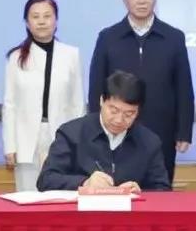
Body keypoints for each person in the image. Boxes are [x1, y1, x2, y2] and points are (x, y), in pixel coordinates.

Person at [88, 0, 194, 185]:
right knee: (117, 189)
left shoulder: (173, 37)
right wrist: (96, 128)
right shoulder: (108, 37)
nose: (142, 0)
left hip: (161, 130)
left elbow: (184, 88)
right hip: (116, 128)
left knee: (159, 188)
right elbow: (96, 86)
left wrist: (184, 131)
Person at [2, 0, 84, 191]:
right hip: (26, 138)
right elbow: (10, 105)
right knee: (28, 196)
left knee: (60, 195)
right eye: (35, 16)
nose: (41, 21)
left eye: (47, 16)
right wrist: (10, 145)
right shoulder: (16, 57)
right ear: (27, 22)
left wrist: (78, 142)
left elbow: (77, 103)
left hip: (62, 134)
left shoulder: (71, 55)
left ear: (56, 20)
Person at [37, 71, 171, 192]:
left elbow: (162, 188)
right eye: (114, 110)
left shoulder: (149, 142)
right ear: (102, 101)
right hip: (82, 210)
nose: (119, 120)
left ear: (138, 111)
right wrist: (85, 182)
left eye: (129, 114)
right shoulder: (72, 133)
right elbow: (46, 180)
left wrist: (141, 192)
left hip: (129, 211)